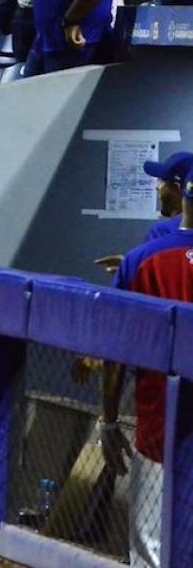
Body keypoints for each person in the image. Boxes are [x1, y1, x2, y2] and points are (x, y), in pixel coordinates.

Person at [101, 171, 193, 567]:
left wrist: (108, 419)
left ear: (184, 199)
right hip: (162, 425)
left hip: (159, 426)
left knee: (148, 552)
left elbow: (115, 351)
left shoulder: (143, 260)